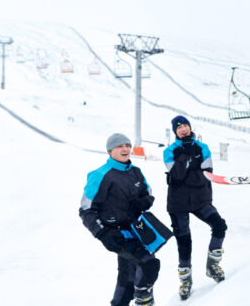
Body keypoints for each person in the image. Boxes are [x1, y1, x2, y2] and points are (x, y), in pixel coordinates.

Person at [79, 133, 160, 306]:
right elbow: (86, 210)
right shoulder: (100, 175)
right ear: (110, 151)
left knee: (127, 277)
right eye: (120, 146)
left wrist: (144, 201)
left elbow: (148, 193)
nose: (125, 149)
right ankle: (143, 299)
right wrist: (102, 233)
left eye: (127, 145)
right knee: (148, 264)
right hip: (117, 235)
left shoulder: (135, 172)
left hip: (138, 231)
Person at [163, 115, 227, 300]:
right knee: (184, 241)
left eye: (185, 125)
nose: (183, 129)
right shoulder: (169, 151)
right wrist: (185, 157)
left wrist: (184, 174)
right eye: (179, 127)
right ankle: (185, 280)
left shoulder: (202, 148)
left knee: (219, 226)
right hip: (178, 203)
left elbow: (207, 174)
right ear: (175, 132)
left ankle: (212, 266)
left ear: (190, 127)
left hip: (201, 200)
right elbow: (176, 175)